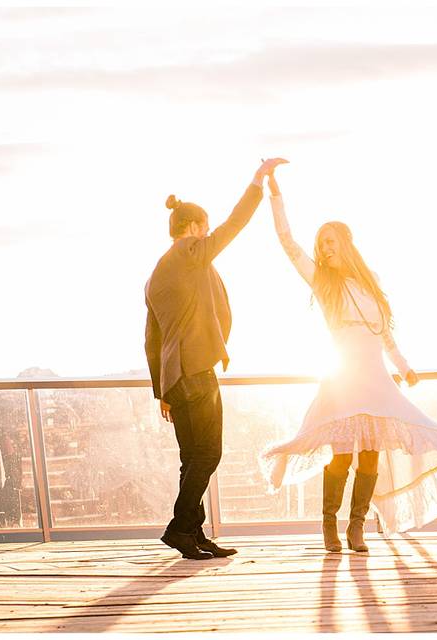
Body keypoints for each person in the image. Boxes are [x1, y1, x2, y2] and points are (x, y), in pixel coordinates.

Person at [260, 163, 437, 552]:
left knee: (370, 457)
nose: (324, 247)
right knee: (341, 458)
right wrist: (274, 191)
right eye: (321, 242)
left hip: (376, 379)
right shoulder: (323, 283)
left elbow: (384, 333)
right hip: (342, 380)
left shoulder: (369, 284)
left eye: (331, 240)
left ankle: (357, 527)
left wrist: (403, 367)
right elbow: (287, 241)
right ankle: (328, 526)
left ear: (346, 244)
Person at [145, 157, 286, 560]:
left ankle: (194, 533)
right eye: (203, 228)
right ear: (192, 228)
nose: (207, 236)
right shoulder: (190, 253)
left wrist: (162, 392)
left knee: (192, 457)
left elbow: (151, 341)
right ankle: (178, 527)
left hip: (175, 378)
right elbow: (233, 226)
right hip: (196, 372)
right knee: (209, 453)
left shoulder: (155, 275)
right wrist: (257, 183)